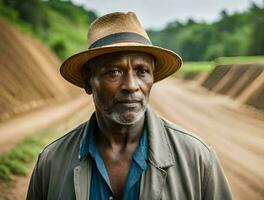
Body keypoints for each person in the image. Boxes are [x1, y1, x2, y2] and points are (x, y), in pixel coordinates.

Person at [26, 12, 232, 200]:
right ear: (89, 81)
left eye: (142, 71)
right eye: (114, 72)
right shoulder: (52, 163)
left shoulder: (197, 159)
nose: (131, 86)